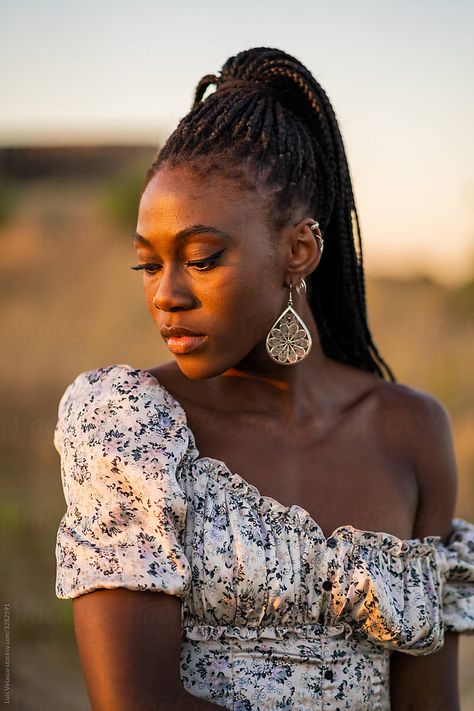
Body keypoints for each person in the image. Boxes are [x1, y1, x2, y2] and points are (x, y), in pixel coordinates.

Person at [54, 47, 474, 710]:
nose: (166, 294)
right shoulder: (133, 427)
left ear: (298, 250)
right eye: (148, 264)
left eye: (201, 258)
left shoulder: (410, 430)